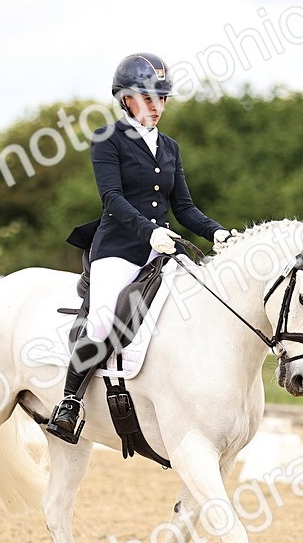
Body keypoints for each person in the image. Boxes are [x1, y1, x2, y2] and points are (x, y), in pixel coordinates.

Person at [46, 52, 235, 443]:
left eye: (162, 98)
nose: (157, 106)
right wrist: (149, 232)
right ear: (126, 99)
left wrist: (216, 232)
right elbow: (112, 198)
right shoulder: (107, 140)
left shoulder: (170, 147)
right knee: (101, 320)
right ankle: (70, 402)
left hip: (162, 248)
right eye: (148, 98)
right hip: (118, 247)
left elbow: (182, 207)